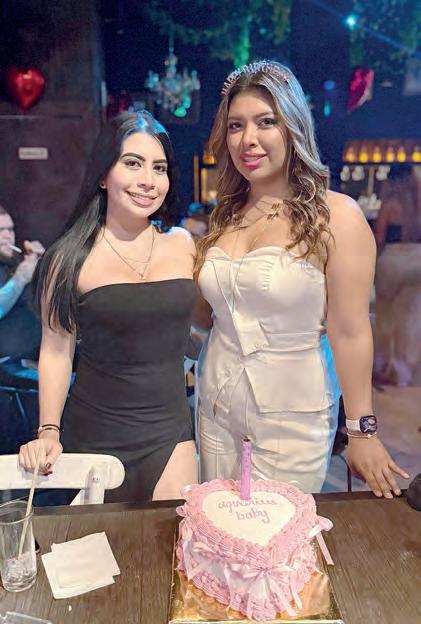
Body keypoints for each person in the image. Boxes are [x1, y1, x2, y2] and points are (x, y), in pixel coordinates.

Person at [193, 60, 409, 497]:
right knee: (216, 526)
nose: (248, 139)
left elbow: (350, 331)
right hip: (214, 405)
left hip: (292, 417)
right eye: (236, 125)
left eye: (265, 122)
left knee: (280, 532)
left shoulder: (337, 216)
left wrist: (361, 430)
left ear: (293, 126)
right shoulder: (223, 216)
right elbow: (206, 317)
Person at [19, 111, 198, 503]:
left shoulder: (183, 245)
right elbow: (56, 350)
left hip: (170, 433)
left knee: (171, 537)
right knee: (97, 542)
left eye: (159, 168)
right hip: (93, 433)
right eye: (132, 163)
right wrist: (48, 431)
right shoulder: (68, 258)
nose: (148, 180)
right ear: (103, 174)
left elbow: (199, 328)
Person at [374, 164, 421, 386]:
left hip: (393, 260)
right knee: (410, 317)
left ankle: (386, 365)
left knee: (386, 315)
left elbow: (379, 238)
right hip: (418, 260)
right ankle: (405, 369)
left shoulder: (390, 205)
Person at [0, 206, 44, 360]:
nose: (7, 236)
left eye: (10, 230)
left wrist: (44, 265)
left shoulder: (17, 263)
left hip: (37, 355)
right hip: (9, 363)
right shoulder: (19, 273)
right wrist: (20, 279)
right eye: (0, 230)